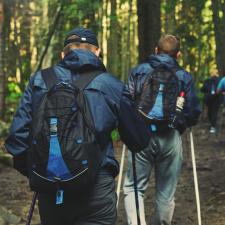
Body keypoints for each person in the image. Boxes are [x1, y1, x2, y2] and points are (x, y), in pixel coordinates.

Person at [5, 27, 150, 225]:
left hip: (50, 189)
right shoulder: (110, 84)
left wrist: (39, 173)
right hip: (96, 187)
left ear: (63, 54)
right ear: (97, 51)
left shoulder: (40, 80)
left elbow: (17, 139)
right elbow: (139, 139)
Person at [123, 34, 201, 225]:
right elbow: (192, 113)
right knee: (166, 192)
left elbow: (125, 102)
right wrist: (183, 122)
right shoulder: (184, 76)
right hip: (170, 137)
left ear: (156, 51)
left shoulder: (139, 71)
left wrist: (128, 127)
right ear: (178, 54)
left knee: (134, 187)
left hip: (140, 136)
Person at [201, 69, 221, 133]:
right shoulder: (207, 81)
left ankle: (213, 126)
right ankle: (212, 124)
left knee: (213, 112)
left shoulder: (219, 81)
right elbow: (203, 89)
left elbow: (221, 89)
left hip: (216, 99)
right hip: (209, 99)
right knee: (210, 112)